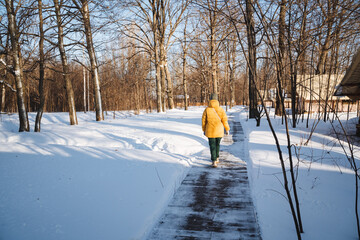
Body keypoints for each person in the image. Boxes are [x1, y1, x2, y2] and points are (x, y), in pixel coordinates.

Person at [202, 93, 230, 167]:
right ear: (217, 100)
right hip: (219, 131)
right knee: (217, 144)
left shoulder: (207, 110)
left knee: (212, 145)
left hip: (210, 131)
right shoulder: (221, 109)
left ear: (210, 100)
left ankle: (214, 160)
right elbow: (225, 120)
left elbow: (203, 121)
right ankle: (217, 157)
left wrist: (204, 129)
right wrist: (227, 129)